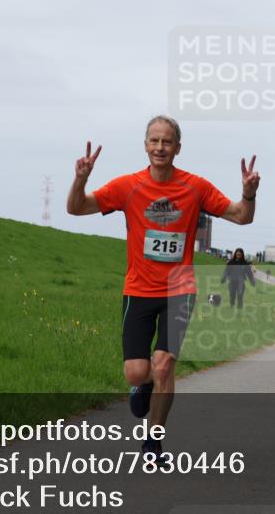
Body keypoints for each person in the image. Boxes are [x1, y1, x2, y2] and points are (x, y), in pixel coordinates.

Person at [66, 115, 260, 461]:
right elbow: (76, 208)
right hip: (138, 290)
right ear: (145, 145)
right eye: (154, 141)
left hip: (179, 290)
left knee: (164, 364)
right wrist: (80, 180)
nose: (160, 147)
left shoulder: (195, 187)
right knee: (138, 371)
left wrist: (248, 193)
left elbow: (241, 216)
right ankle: (141, 387)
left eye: (167, 141)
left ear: (178, 148)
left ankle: (153, 442)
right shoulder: (128, 186)